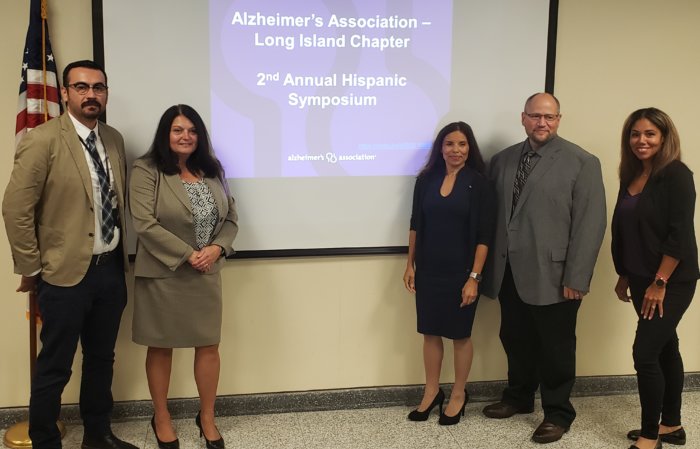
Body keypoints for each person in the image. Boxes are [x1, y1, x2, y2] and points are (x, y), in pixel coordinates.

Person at [2, 60, 138, 449]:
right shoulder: (42, 139)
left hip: (110, 270)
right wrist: (32, 267)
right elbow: (16, 209)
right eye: (81, 87)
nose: (90, 94)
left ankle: (98, 434)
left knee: (101, 359)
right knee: (55, 365)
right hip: (63, 274)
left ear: (106, 93)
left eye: (98, 87)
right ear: (64, 94)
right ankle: (45, 440)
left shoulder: (114, 139)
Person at [480, 93, 607, 444]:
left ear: (559, 119)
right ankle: (519, 397)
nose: (542, 123)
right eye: (535, 116)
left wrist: (577, 277)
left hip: (556, 277)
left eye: (549, 117)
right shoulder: (502, 161)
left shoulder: (582, 162)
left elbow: (590, 225)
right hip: (509, 273)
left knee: (556, 347)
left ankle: (558, 413)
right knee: (515, 339)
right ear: (523, 118)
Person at [129, 104, 238, 449]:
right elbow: (144, 223)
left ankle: (206, 416)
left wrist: (218, 249)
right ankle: (161, 416)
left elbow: (232, 219)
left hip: (206, 272)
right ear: (165, 134)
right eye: (177, 130)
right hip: (163, 274)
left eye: (191, 130)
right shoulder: (146, 170)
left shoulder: (211, 169)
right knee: (161, 347)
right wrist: (188, 253)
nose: (185, 136)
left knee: (208, 346)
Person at [611, 108, 698, 449]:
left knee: (644, 352)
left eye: (649, 134)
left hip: (670, 281)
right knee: (665, 347)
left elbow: (679, 235)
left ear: (664, 138)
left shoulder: (676, 175)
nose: (641, 140)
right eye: (635, 134)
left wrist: (659, 282)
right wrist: (623, 274)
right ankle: (672, 426)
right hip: (638, 277)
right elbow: (626, 231)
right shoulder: (630, 174)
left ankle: (650, 436)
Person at [403, 121, 495, 426]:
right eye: (450, 144)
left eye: (462, 144)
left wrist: (474, 278)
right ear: (440, 148)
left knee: (459, 335)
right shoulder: (425, 180)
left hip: (461, 273)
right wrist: (409, 264)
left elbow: (484, 234)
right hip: (429, 270)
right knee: (430, 332)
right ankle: (431, 392)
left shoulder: (479, 183)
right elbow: (416, 223)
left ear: (470, 149)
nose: (456, 150)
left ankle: (458, 394)